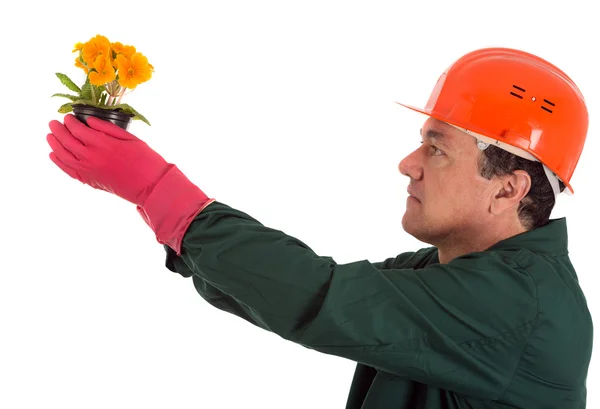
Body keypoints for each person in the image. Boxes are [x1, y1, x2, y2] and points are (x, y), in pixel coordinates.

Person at [46, 47, 593, 408]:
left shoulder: (520, 302)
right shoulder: (448, 275)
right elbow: (282, 295)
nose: (409, 163)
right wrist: (159, 210)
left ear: (508, 188)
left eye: (436, 147)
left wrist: (158, 190)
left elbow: (316, 296)